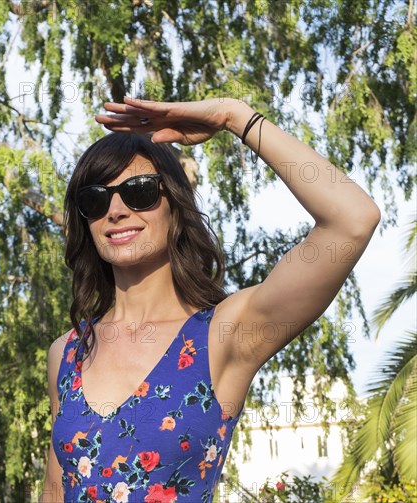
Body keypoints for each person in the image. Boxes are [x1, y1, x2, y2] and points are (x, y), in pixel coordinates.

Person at [40, 96, 380, 503]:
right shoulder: (67, 352)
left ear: (175, 207)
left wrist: (233, 116)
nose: (115, 210)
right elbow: (55, 491)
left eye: (140, 191)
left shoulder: (225, 334)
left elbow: (353, 220)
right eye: (95, 199)